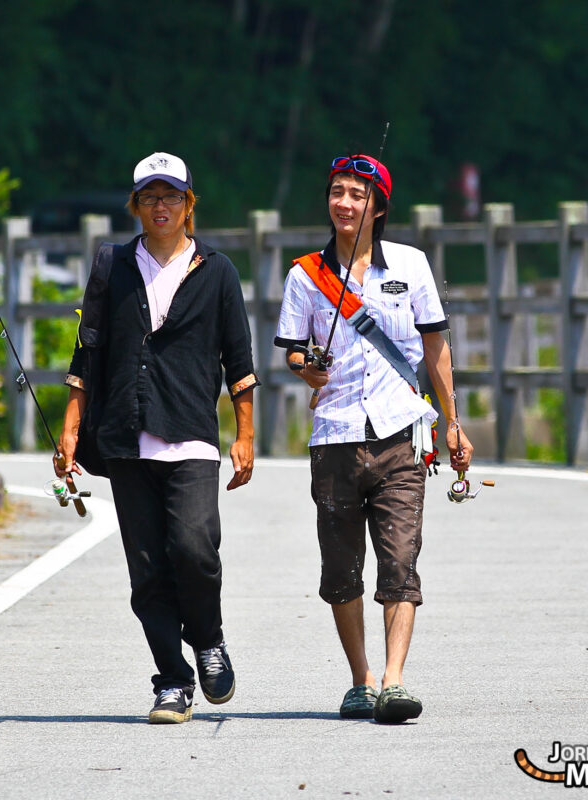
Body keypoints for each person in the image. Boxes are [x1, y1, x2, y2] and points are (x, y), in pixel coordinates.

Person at [55, 152, 259, 724]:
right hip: (124, 435)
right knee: (146, 572)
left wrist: (245, 436)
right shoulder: (112, 265)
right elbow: (86, 354)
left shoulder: (217, 271)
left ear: (189, 204)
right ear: (137, 206)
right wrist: (71, 430)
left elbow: (239, 362)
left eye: (171, 196)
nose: (161, 206)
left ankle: (209, 641)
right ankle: (172, 681)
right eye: (150, 197)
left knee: (194, 548)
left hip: (192, 432)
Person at [273, 154, 472, 723]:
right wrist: (303, 366)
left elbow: (435, 348)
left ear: (378, 206)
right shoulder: (304, 274)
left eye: (357, 195)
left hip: (401, 433)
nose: (344, 203)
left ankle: (394, 680)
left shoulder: (410, 265)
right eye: (337, 192)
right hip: (334, 434)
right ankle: (360, 679)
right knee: (340, 567)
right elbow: (291, 349)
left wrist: (452, 420)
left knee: (400, 559)